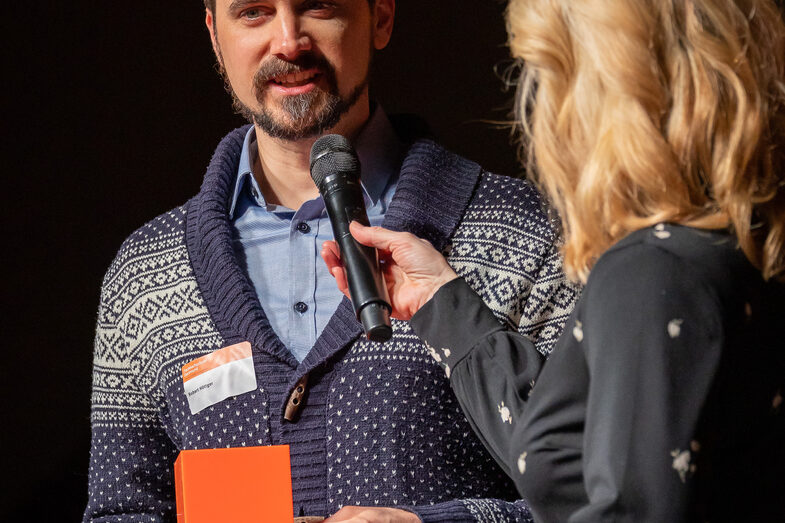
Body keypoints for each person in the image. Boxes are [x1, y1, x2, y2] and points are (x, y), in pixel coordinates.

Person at [83, 0, 580, 521]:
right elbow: (123, 511)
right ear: (214, 35)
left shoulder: (530, 232)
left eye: (317, 7)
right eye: (253, 12)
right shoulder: (145, 271)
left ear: (381, 18)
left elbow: (610, 496)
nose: (288, 41)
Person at [322, 0, 785, 521]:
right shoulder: (734, 252)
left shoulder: (651, 274)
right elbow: (578, 462)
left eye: (548, 71)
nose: (538, 107)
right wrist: (437, 301)